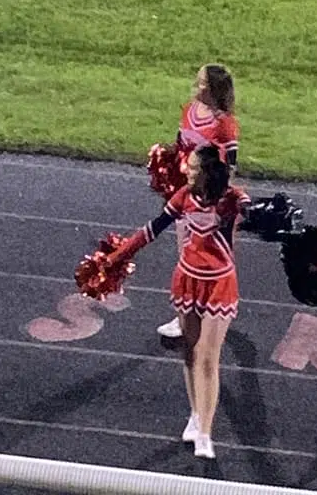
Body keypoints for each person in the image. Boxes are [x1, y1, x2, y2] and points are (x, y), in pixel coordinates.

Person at [110, 145, 249, 458]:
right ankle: (196, 414)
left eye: (192, 164)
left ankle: (205, 433)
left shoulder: (230, 200)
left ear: (204, 171)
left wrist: (261, 216)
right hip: (187, 280)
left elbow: (249, 210)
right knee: (190, 352)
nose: (185, 167)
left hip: (219, 284)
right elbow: (153, 229)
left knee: (208, 356)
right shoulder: (183, 198)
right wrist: (121, 254)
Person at [157, 64, 240, 339]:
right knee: (185, 250)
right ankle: (187, 313)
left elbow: (229, 166)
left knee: (208, 253)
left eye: (202, 80)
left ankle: (206, 310)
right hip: (186, 189)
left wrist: (216, 199)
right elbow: (180, 145)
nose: (197, 83)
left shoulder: (223, 123)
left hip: (207, 199)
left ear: (212, 87)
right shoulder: (190, 110)